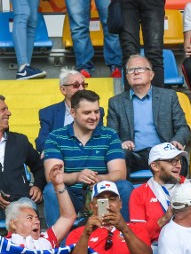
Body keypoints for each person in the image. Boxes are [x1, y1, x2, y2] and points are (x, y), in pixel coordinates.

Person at [42, 89, 133, 227]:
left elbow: (120, 174)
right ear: (73, 113)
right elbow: (52, 176)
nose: (94, 117)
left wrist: (100, 179)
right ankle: (59, 245)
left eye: (96, 111)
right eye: (87, 112)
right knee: (51, 189)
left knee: (124, 187)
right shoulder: (56, 136)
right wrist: (77, 177)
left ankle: (121, 239)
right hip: (69, 196)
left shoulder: (109, 135)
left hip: (101, 195)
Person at [106, 55, 189, 173]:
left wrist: (177, 141)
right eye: (131, 70)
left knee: (181, 161)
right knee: (119, 158)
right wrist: (121, 143)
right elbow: (111, 134)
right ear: (127, 77)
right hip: (134, 155)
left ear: (151, 75)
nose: (135, 72)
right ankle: (127, 191)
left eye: (140, 68)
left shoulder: (168, 96)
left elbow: (183, 128)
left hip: (163, 154)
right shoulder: (116, 102)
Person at [127, 142, 187, 254]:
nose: (178, 165)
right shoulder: (140, 194)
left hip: (188, 243)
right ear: (155, 166)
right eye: (172, 161)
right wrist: (165, 218)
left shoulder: (189, 188)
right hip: (158, 247)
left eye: (179, 160)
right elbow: (139, 235)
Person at [36, 71, 105, 153]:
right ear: (63, 90)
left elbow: (99, 139)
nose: (81, 89)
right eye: (76, 85)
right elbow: (41, 142)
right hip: (60, 158)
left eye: (83, 85)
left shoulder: (96, 111)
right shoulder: (49, 113)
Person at [0, 97, 43, 210]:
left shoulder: (20, 141)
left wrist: (37, 186)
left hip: (20, 202)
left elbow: (40, 167)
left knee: (26, 210)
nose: (9, 113)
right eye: (3, 110)